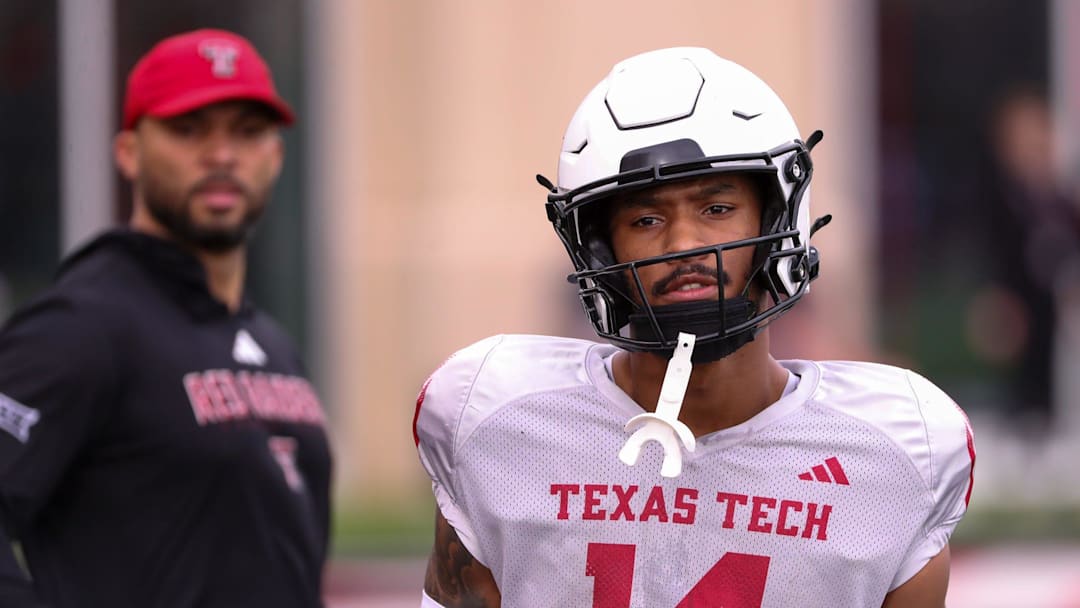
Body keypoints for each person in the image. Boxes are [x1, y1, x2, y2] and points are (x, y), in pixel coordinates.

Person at [413, 47, 975, 607]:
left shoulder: (894, 455)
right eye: (646, 219)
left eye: (716, 208)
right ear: (599, 249)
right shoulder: (500, 427)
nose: (683, 246)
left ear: (778, 219)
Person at [0, 29, 332, 607]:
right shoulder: (80, 327)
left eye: (247, 132)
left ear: (276, 156)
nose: (222, 154)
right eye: (189, 128)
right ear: (128, 151)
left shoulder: (272, 343)